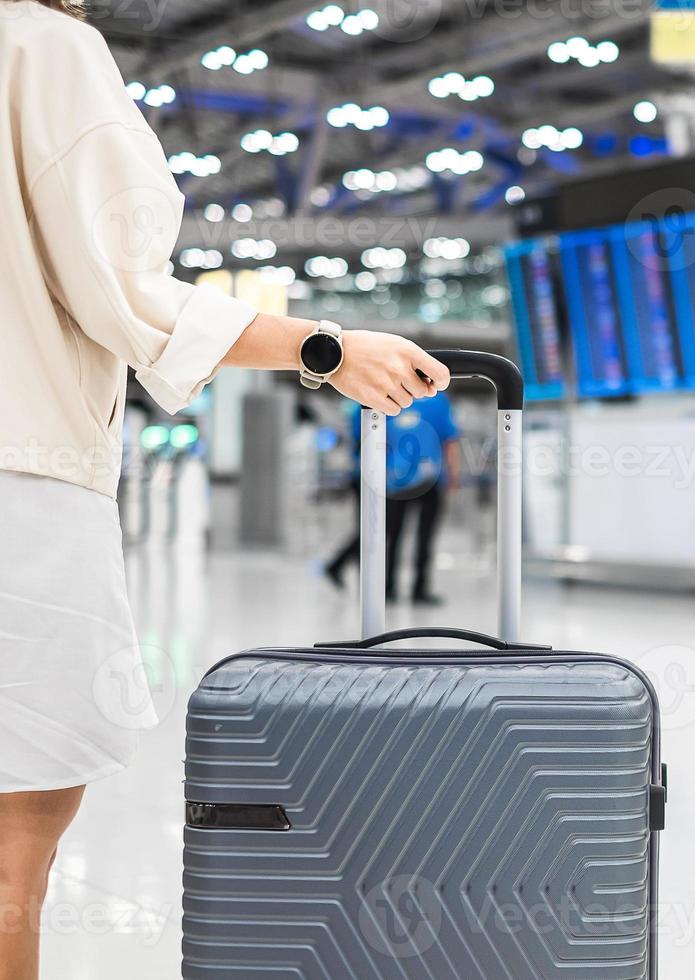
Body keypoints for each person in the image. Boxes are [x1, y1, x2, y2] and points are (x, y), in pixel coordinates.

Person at [0, 4, 453, 977]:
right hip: (18, 490)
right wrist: (321, 345)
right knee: (7, 854)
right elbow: (120, 286)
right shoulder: (39, 44)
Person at [326, 392, 462, 605]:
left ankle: (389, 588)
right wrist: (453, 475)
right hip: (427, 477)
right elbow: (449, 441)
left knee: (392, 534)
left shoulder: (384, 396)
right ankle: (418, 589)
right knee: (420, 535)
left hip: (394, 479)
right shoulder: (438, 401)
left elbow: (363, 439)